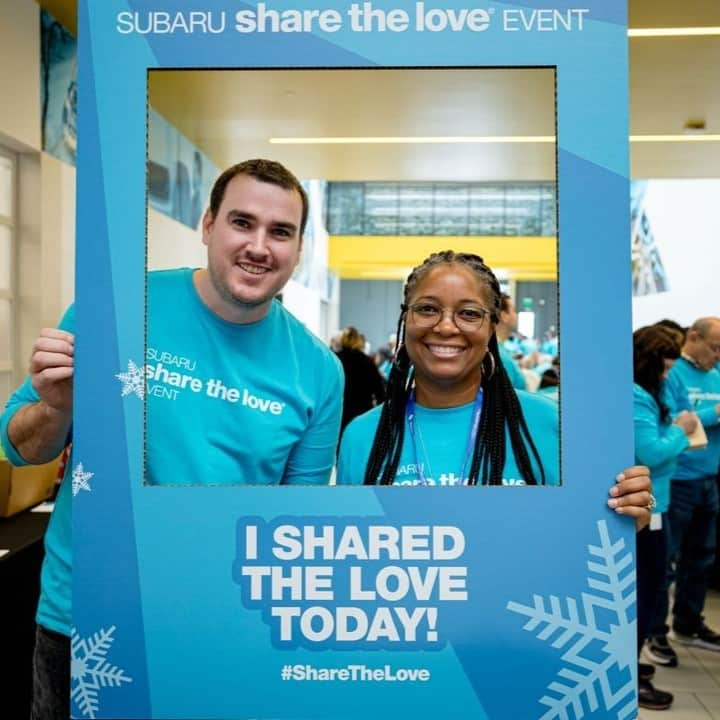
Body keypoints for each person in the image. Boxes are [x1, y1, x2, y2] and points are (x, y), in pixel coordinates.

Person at [0, 158, 344, 719]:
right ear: (208, 224)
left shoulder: (318, 371)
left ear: (298, 250)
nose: (259, 245)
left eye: (280, 232)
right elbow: (20, 446)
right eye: (242, 222)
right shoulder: (116, 309)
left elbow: (296, 524)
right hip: (86, 614)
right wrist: (58, 408)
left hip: (215, 630)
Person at [336, 251, 652, 521]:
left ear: (491, 327)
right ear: (406, 319)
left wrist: (627, 512)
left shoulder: (552, 424)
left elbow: (589, 533)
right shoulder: (362, 436)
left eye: (469, 313)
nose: (446, 326)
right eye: (428, 308)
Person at [646, 317, 720, 665]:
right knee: (666, 562)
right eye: (715, 347)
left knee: (702, 557)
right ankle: (655, 632)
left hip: (709, 476)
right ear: (695, 337)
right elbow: (673, 420)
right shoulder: (672, 372)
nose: (717, 356)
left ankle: (688, 623)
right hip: (677, 477)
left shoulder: (715, 374)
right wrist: (713, 413)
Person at [632, 325, 697, 710]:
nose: (668, 377)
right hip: (646, 510)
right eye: (665, 368)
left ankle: (632, 659)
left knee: (654, 586)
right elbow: (650, 452)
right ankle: (628, 668)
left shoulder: (645, 394)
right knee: (646, 592)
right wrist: (681, 432)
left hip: (658, 504)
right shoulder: (635, 397)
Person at [335, 326, 386, 433]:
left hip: (338, 412)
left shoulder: (335, 359)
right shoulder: (366, 361)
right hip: (362, 412)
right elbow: (379, 390)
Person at [496, 293, 527, 391]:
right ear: (504, 316)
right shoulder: (500, 357)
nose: (516, 315)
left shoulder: (501, 351)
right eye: (514, 311)